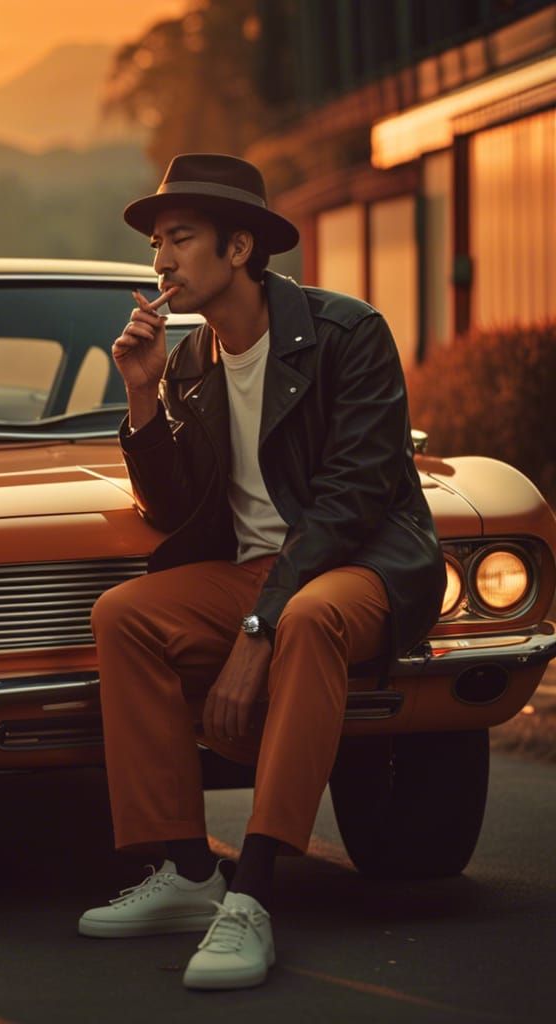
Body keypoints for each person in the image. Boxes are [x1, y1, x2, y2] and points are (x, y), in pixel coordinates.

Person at [79, 154, 446, 990]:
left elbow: (352, 501)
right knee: (123, 615)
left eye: (179, 239)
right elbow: (175, 510)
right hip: (258, 574)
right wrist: (141, 397)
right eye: (156, 245)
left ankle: (252, 892)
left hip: (360, 563)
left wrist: (258, 630)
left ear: (239, 248)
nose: (160, 262)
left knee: (309, 619)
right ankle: (187, 871)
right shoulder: (189, 363)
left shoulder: (348, 334)